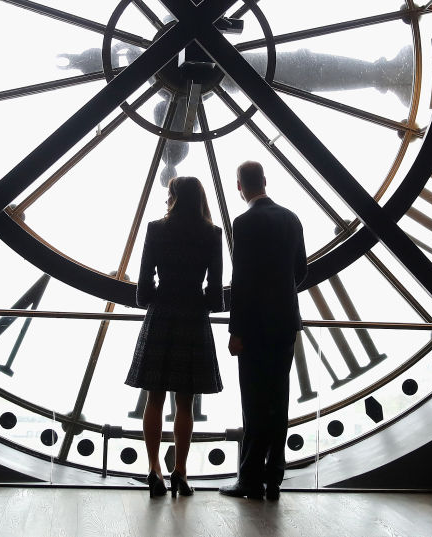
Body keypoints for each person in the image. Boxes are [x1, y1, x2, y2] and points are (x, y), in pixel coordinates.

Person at [125, 176, 224, 498]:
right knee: (186, 402)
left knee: (154, 398)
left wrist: (151, 299)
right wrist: (205, 303)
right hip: (194, 316)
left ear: (172, 197)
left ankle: (153, 468)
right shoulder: (212, 234)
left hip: (162, 313)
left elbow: (143, 283)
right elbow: (215, 290)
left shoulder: (156, 229)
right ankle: (180, 471)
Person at [219, 161, 306, 501]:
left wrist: (236, 329)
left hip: (254, 326)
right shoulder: (291, 218)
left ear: (239, 186)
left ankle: (250, 478)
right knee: (277, 399)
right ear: (265, 182)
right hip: (285, 321)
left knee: (254, 402)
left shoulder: (244, 223)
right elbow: (300, 271)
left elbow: (241, 282)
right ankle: (273, 476)